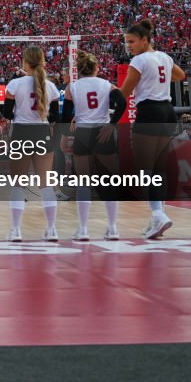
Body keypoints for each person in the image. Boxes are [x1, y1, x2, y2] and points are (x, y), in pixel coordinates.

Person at [119, 19, 186, 239]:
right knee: (159, 169)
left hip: (149, 111)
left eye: (132, 41)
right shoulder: (164, 57)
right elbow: (181, 75)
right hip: (167, 111)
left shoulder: (139, 60)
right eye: (127, 42)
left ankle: (158, 214)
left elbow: (124, 93)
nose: (128, 46)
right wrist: (157, 79)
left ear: (144, 40)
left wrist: (107, 93)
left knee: (144, 170)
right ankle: (159, 215)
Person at [60, 50, 126, 241]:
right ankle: (112, 228)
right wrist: (112, 124)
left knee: (83, 182)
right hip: (103, 133)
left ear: (79, 70)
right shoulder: (106, 84)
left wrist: (65, 135)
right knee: (109, 181)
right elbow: (122, 102)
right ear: (96, 68)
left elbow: (66, 116)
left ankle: (83, 229)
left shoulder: (72, 87)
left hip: (83, 133)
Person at [1, 45, 61, 242]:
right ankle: (52, 229)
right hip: (42, 132)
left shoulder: (15, 84)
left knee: (18, 184)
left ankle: (16, 230)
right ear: (42, 61)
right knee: (46, 184)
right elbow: (55, 117)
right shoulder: (50, 86)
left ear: (25, 62)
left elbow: (7, 113)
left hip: (21, 132)